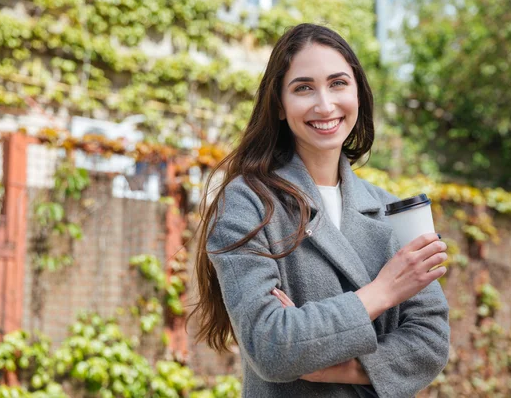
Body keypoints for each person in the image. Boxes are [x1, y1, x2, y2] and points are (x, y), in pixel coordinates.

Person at [189, 23, 450, 398]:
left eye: (338, 83)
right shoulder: (246, 202)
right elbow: (272, 346)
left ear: (358, 93)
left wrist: (337, 367)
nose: (325, 105)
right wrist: (385, 291)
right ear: (279, 104)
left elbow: (431, 342)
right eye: (303, 88)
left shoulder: (391, 209)